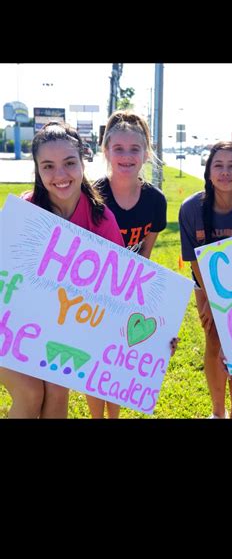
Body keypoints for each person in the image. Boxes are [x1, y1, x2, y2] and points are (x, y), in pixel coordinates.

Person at [0, 121, 125, 419]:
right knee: (31, 394)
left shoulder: (101, 219)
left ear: (83, 160)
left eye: (69, 163)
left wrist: (157, 338)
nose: (60, 175)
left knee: (57, 392)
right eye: (48, 166)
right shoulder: (23, 213)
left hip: (61, 330)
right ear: (37, 170)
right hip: (12, 327)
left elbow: (123, 291)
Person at [91, 109, 169, 419]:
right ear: (106, 151)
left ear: (147, 152)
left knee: (120, 360)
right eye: (118, 148)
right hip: (94, 294)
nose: (126, 156)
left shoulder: (156, 200)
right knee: (95, 360)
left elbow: (145, 256)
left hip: (129, 293)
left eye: (134, 148)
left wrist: (140, 298)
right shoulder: (92, 196)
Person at [178, 141, 232, 418]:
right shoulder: (191, 208)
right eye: (218, 165)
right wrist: (213, 300)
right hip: (205, 284)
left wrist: (229, 301)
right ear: (208, 171)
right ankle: (218, 412)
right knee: (213, 340)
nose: (225, 172)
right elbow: (193, 259)